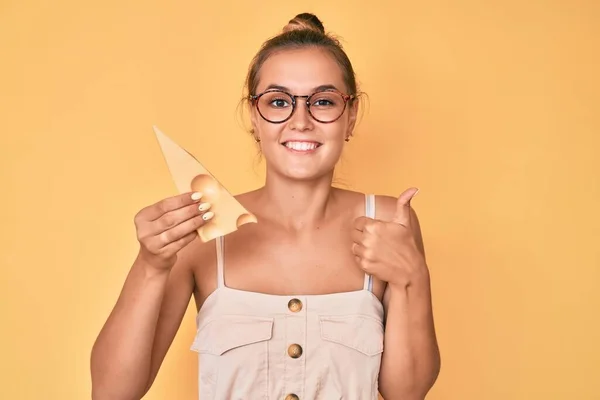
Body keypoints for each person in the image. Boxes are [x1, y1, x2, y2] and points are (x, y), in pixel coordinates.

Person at [90, 12, 440, 400]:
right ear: (255, 118)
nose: (301, 121)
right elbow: (111, 393)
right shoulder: (203, 231)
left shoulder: (391, 222)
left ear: (351, 116)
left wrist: (413, 278)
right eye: (278, 102)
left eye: (323, 101)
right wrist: (151, 265)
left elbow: (406, 393)